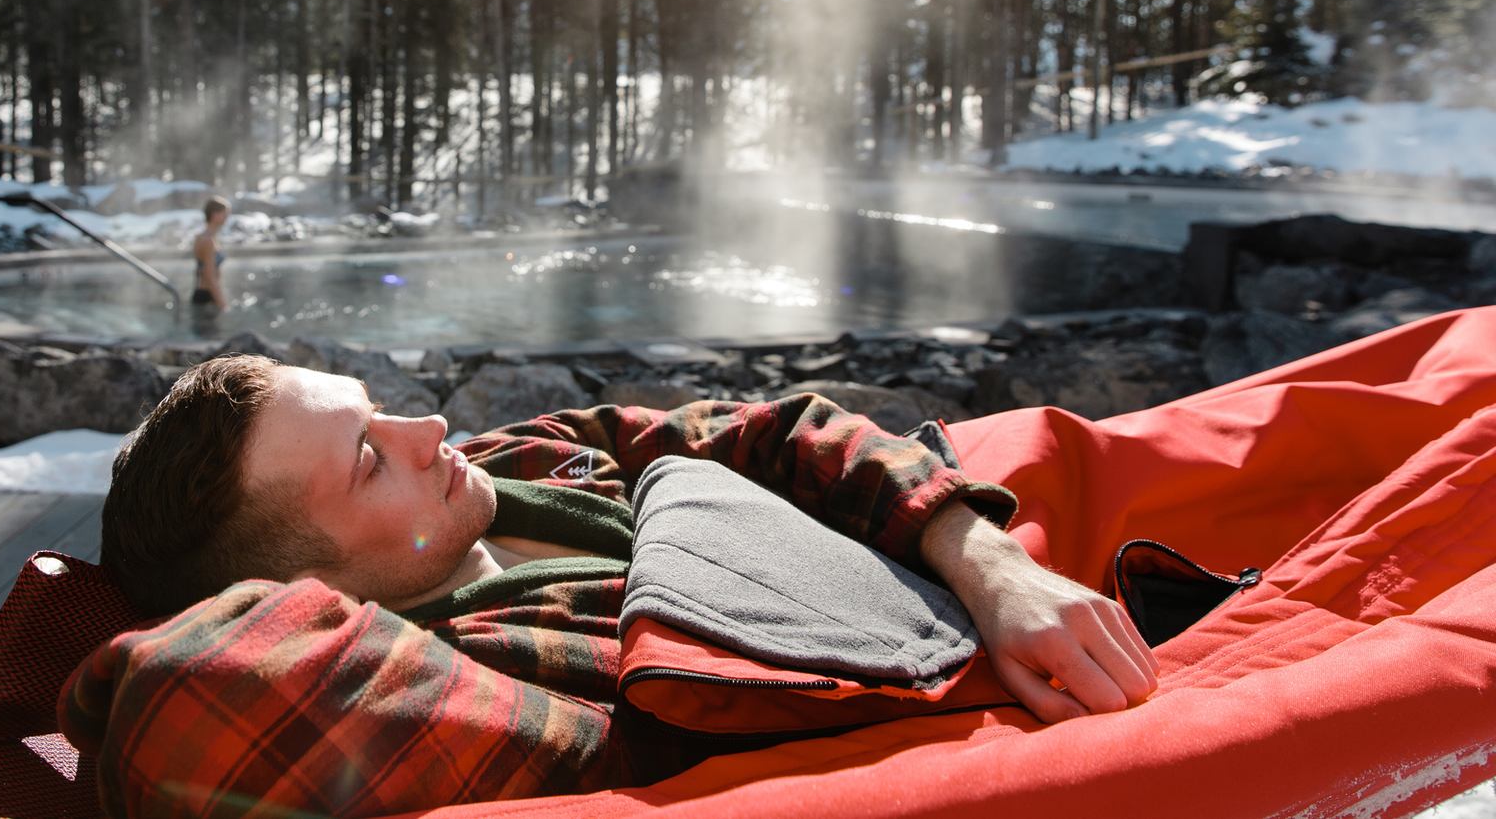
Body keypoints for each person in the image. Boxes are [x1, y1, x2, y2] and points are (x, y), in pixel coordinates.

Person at [67, 354, 1157, 818]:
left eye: (379, 403)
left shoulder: (510, 465)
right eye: (367, 455)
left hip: (995, 559)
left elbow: (768, 425)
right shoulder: (473, 675)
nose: (432, 428)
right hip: (1028, 667)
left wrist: (986, 554)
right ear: (302, 593)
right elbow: (184, 707)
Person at [189, 196, 229, 324]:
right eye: (225, 214)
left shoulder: (203, 237)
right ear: (215, 214)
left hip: (204, 293)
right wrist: (222, 303)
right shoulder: (207, 241)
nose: (227, 218)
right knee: (211, 338)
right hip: (207, 295)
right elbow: (209, 276)